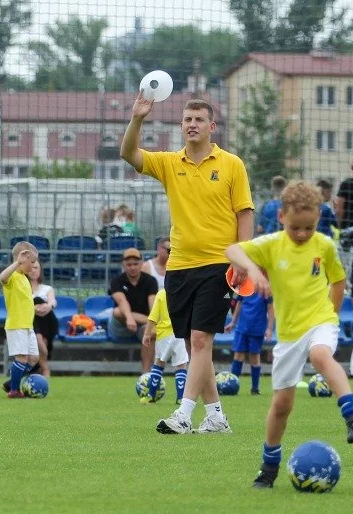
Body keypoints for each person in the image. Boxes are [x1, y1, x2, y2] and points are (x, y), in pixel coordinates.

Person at [226, 181, 353, 489]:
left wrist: (330, 314)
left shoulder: (325, 246)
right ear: (282, 217)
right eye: (296, 228)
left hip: (321, 322)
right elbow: (232, 249)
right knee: (282, 406)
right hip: (289, 336)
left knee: (321, 355)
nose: (303, 234)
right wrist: (253, 271)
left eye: (309, 227)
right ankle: (269, 467)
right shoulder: (272, 244)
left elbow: (338, 281)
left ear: (318, 217)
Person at [121, 97, 254, 435]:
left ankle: (183, 413)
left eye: (199, 119)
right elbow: (129, 154)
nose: (192, 124)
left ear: (212, 126)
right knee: (198, 346)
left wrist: (243, 257)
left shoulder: (231, 164)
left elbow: (245, 214)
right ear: (181, 125)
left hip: (218, 265)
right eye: (187, 119)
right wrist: (137, 119)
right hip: (179, 267)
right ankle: (217, 417)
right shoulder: (169, 162)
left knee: (198, 341)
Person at [108, 248, 160, 373]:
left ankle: (146, 374)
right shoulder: (117, 281)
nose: (132, 267)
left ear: (141, 264)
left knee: (150, 333)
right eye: (129, 264)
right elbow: (121, 301)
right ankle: (150, 324)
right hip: (121, 324)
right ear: (124, 265)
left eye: (135, 264)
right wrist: (130, 318)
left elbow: (153, 303)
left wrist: (150, 324)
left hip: (143, 325)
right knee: (117, 312)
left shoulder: (150, 281)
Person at [0, 241, 38, 398]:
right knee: (21, 357)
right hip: (17, 325)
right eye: (32, 262)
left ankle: (12, 382)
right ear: (24, 259)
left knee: (34, 358)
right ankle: (14, 390)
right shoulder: (13, 276)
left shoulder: (24, 278)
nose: (34, 266)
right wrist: (17, 263)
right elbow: (2, 277)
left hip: (27, 326)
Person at [140, 288, 188, 405]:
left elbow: (153, 317)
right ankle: (181, 398)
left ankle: (151, 395)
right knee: (181, 366)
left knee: (158, 363)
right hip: (180, 334)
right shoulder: (185, 291)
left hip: (163, 335)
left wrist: (147, 334)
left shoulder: (161, 294)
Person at [226, 291, 273, 396]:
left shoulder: (265, 287)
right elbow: (239, 303)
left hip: (257, 328)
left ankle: (255, 388)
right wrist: (233, 322)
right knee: (238, 356)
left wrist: (269, 328)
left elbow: (270, 308)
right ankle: (232, 386)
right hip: (242, 328)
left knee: (254, 358)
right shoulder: (245, 286)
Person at [28, 260, 57, 378]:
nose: (34, 271)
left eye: (36, 268)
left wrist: (47, 307)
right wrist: (33, 308)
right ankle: (44, 369)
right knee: (39, 342)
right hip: (31, 320)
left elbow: (52, 301)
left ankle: (43, 368)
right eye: (31, 268)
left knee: (41, 302)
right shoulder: (23, 289)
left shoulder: (47, 288)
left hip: (47, 319)